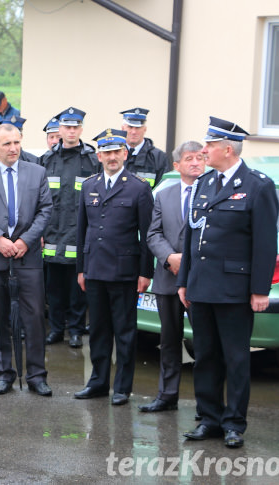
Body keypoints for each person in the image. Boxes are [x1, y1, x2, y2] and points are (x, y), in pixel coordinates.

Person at [178, 117, 278, 448]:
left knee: (235, 358)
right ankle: (210, 418)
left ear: (227, 148)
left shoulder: (258, 185)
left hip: (234, 290)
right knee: (204, 356)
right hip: (202, 287)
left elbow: (265, 244)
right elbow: (192, 237)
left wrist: (260, 290)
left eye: (208, 146)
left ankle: (234, 422)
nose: (202, 150)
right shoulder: (205, 183)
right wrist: (184, 281)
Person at [0, 123, 53, 396]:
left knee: (35, 316)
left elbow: (45, 210)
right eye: (7, 144)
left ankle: (37, 375)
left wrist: (24, 241)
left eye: (17, 142)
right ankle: (4, 373)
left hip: (28, 256)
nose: (14, 148)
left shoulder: (37, 171)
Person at [74, 128, 154, 406]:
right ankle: (97, 382)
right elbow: (82, 231)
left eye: (116, 152)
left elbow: (147, 235)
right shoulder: (89, 185)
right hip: (95, 270)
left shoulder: (139, 187)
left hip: (124, 272)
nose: (111, 157)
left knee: (125, 332)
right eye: (106, 152)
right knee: (97, 330)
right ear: (98, 156)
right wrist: (81, 269)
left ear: (125, 153)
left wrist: (146, 273)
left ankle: (122, 387)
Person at [140, 141, 204, 412]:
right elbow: (152, 234)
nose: (195, 163)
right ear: (177, 165)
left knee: (203, 344)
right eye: (189, 158)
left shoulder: (212, 194)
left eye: (200, 158)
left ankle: (206, 405)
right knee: (169, 340)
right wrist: (169, 258)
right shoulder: (164, 195)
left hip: (201, 280)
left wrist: (187, 262)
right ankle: (167, 395)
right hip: (168, 276)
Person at [40, 107, 99, 348]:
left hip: (80, 234)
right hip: (52, 233)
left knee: (78, 288)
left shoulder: (92, 160)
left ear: (81, 129)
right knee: (54, 287)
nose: (71, 131)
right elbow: (38, 199)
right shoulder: (47, 160)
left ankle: (75, 330)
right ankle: (56, 329)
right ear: (60, 129)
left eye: (76, 127)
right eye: (67, 127)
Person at [121, 107, 169, 189]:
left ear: (145, 129)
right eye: (130, 127)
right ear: (123, 128)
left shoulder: (158, 157)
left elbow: (162, 191)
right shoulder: (114, 154)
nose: (134, 132)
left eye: (138, 128)